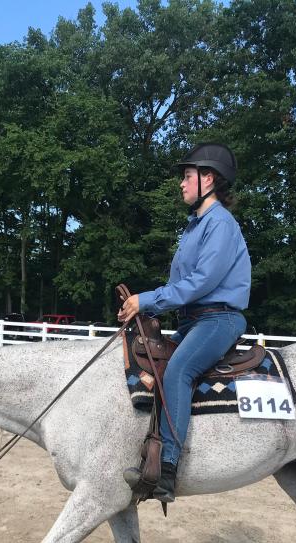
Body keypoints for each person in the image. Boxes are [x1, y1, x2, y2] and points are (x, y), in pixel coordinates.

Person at [117, 142, 251, 503]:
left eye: (187, 176)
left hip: (218, 319)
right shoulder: (195, 227)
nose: (181, 184)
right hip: (194, 320)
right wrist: (147, 309)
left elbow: (202, 281)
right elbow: (181, 286)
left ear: (208, 179)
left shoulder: (220, 223)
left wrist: (146, 299)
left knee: (178, 372)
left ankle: (166, 470)